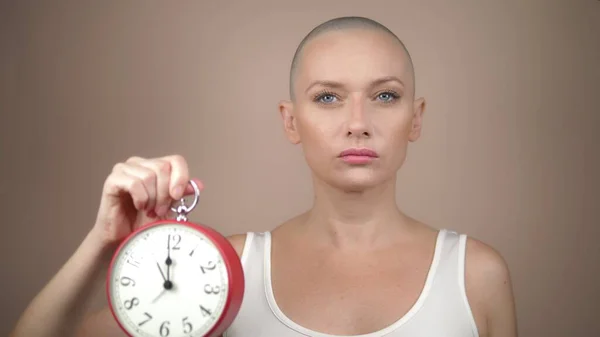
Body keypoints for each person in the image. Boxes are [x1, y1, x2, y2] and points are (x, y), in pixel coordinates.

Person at [9, 16, 517, 337]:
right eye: (327, 97)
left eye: (385, 95)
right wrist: (104, 240)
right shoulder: (223, 271)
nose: (358, 123)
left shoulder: (475, 275)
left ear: (417, 117)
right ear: (291, 121)